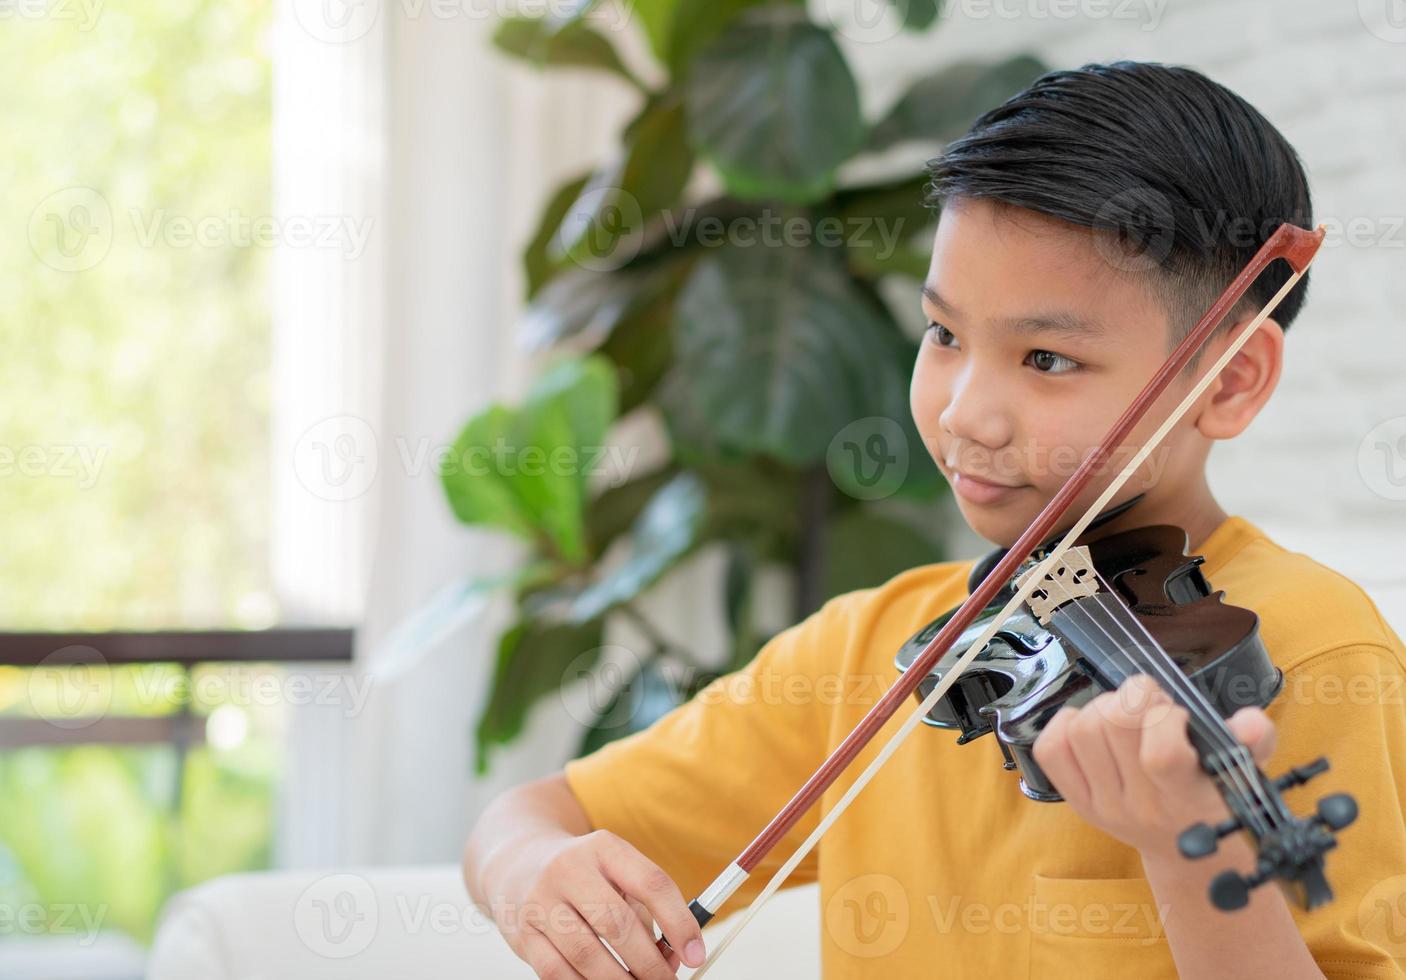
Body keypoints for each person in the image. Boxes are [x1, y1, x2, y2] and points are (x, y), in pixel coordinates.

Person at [463, 61, 1406, 979]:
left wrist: (1192, 850)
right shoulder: (874, 649)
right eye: (945, 334)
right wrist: (528, 873)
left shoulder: (1314, 652)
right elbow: (537, 811)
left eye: (1045, 359)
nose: (962, 414)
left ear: (1231, 378)